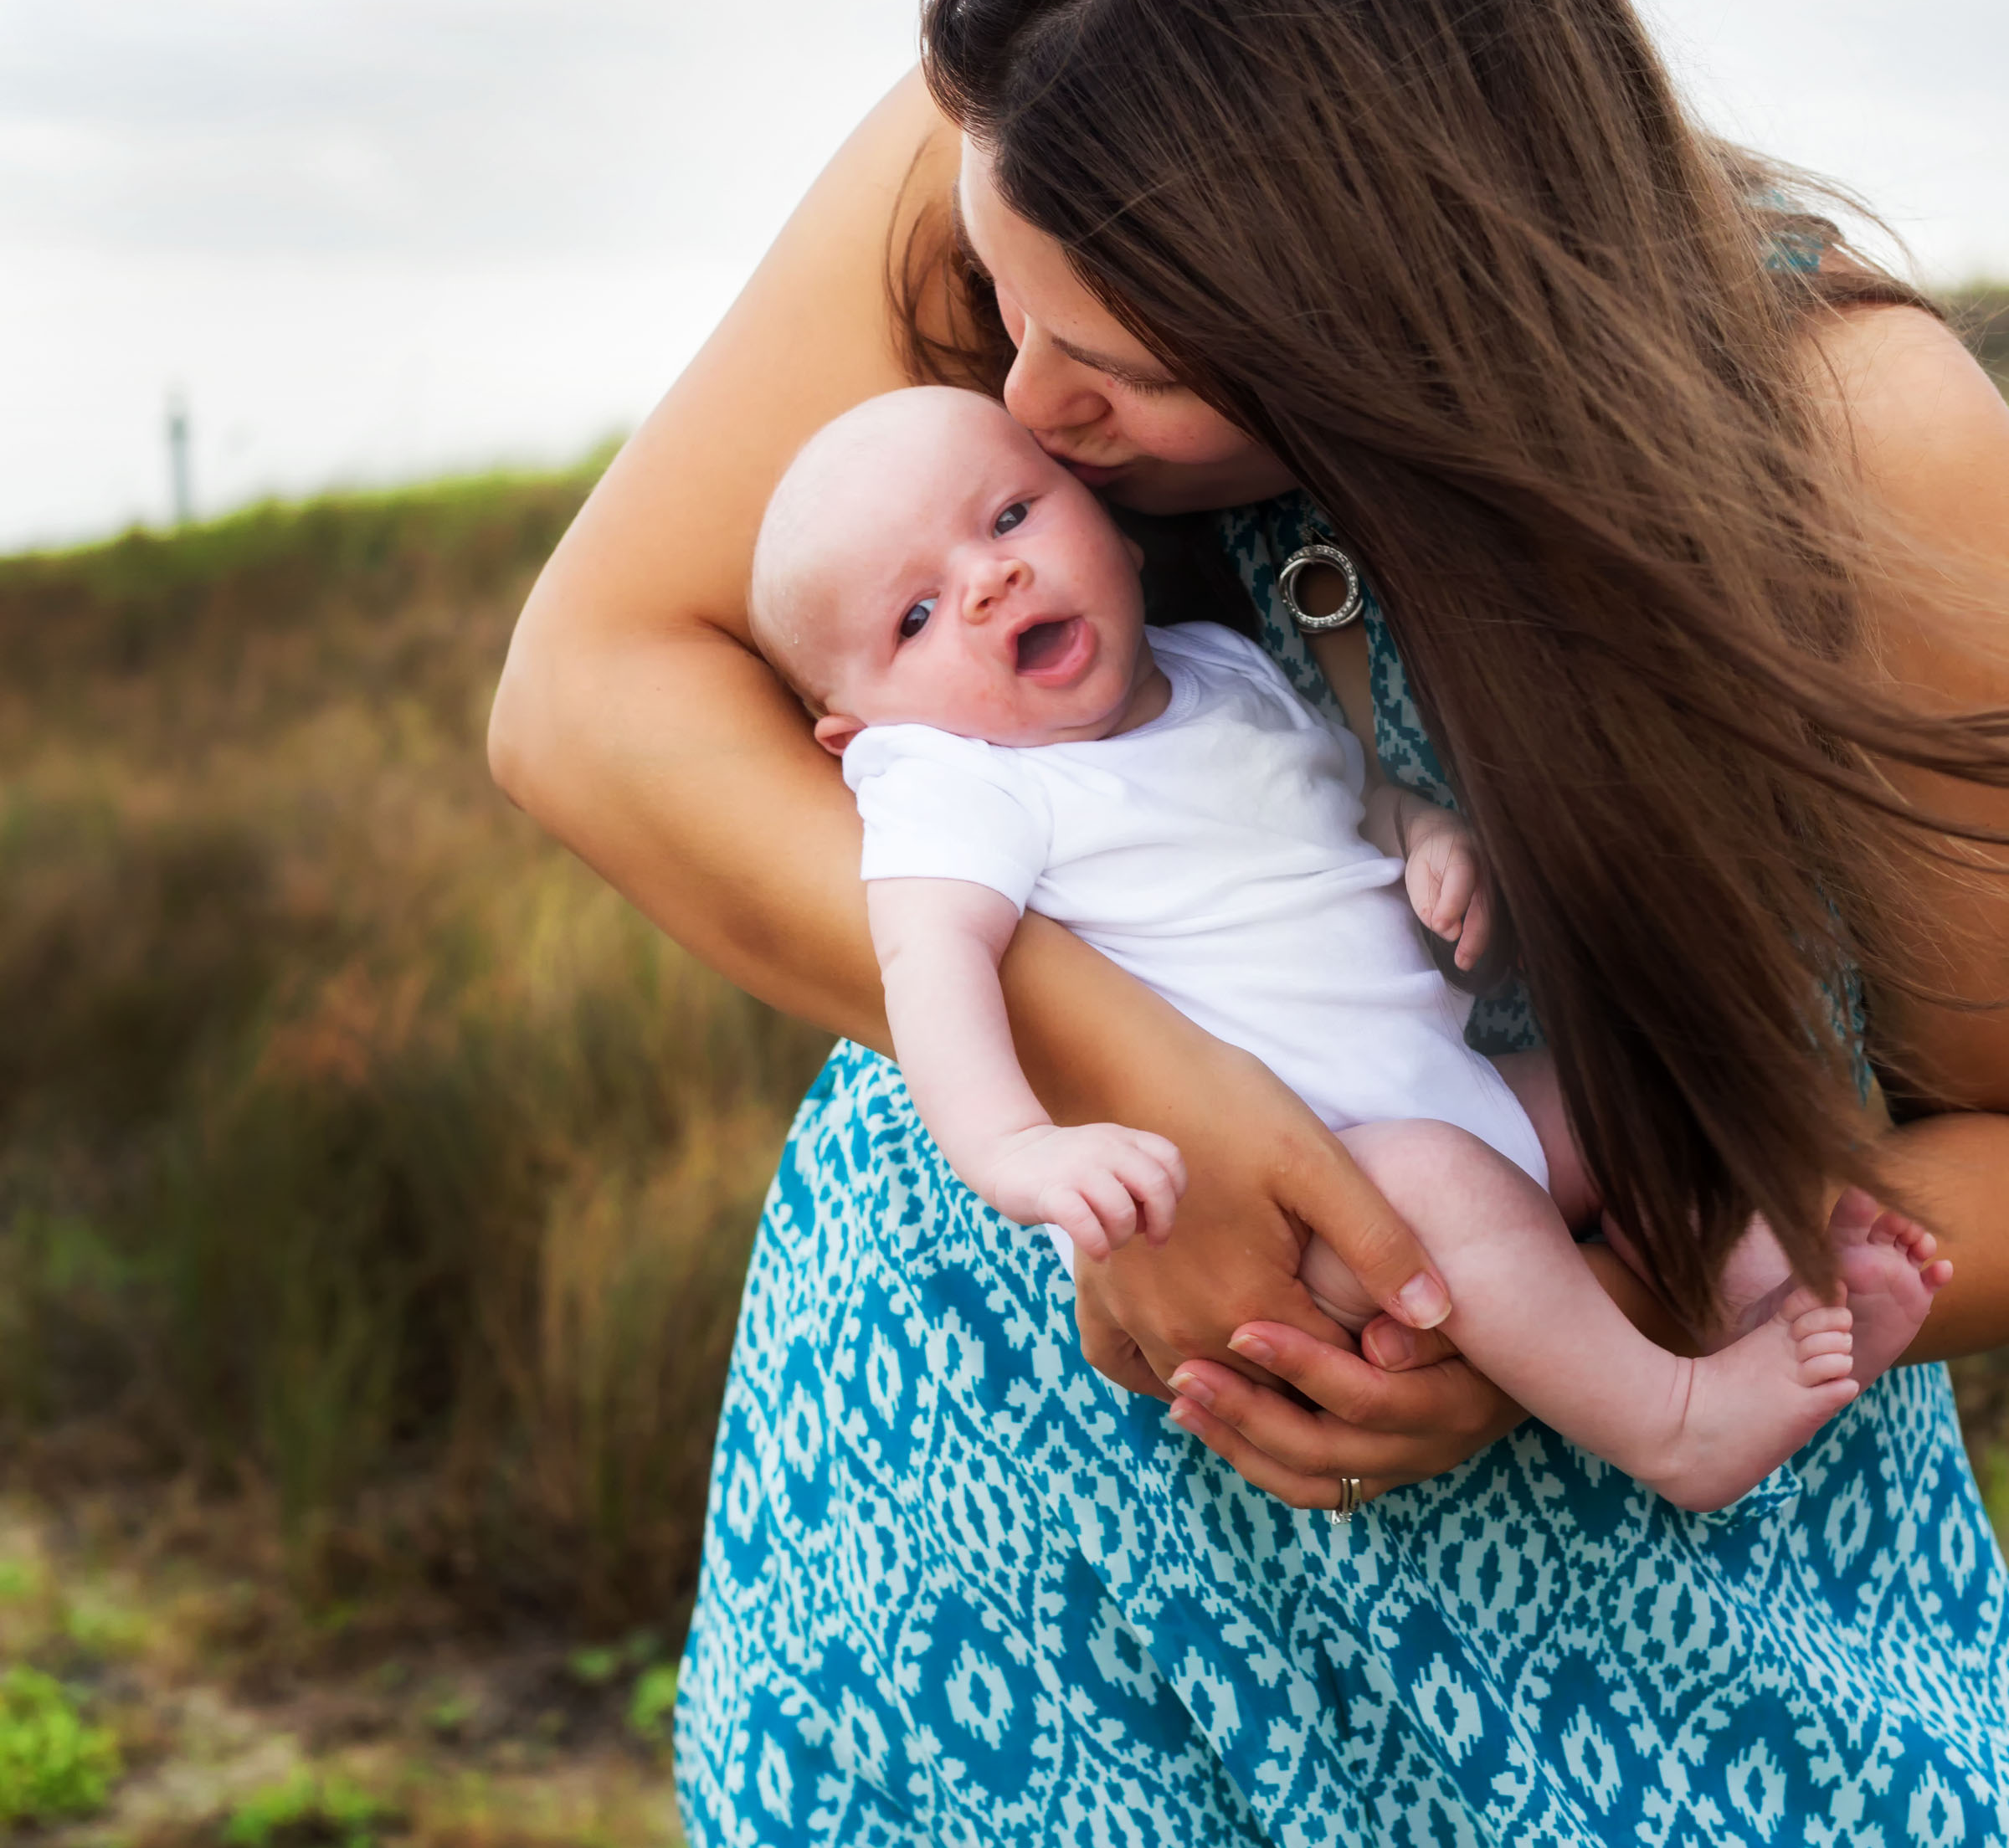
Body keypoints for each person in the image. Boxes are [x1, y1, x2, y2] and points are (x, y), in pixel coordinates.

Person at [491, 0, 2009, 1848]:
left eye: (1131, 367)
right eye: (1005, 317)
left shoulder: (1859, 444)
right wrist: (1125, 1067)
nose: (1027, 407)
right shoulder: (1027, 147)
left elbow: (2006, 1140)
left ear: (1414, 294)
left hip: (1639, 1721)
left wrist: (1593, 1299)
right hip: (1005, 1672)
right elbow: (589, 689)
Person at [752, 382, 1948, 1512]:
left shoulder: (1212, 665)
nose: (990, 579)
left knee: (1641, 1084)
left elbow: (1338, 798)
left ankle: (1756, 1282)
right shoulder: (957, 779)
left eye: (1011, 516)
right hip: (1316, 1194)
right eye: (914, 616)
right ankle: (1677, 1428)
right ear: (857, 733)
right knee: (1441, 1184)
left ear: (1108, 529)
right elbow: (929, 963)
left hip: (1462, 1093)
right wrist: (1013, 1147)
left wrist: (1423, 837)